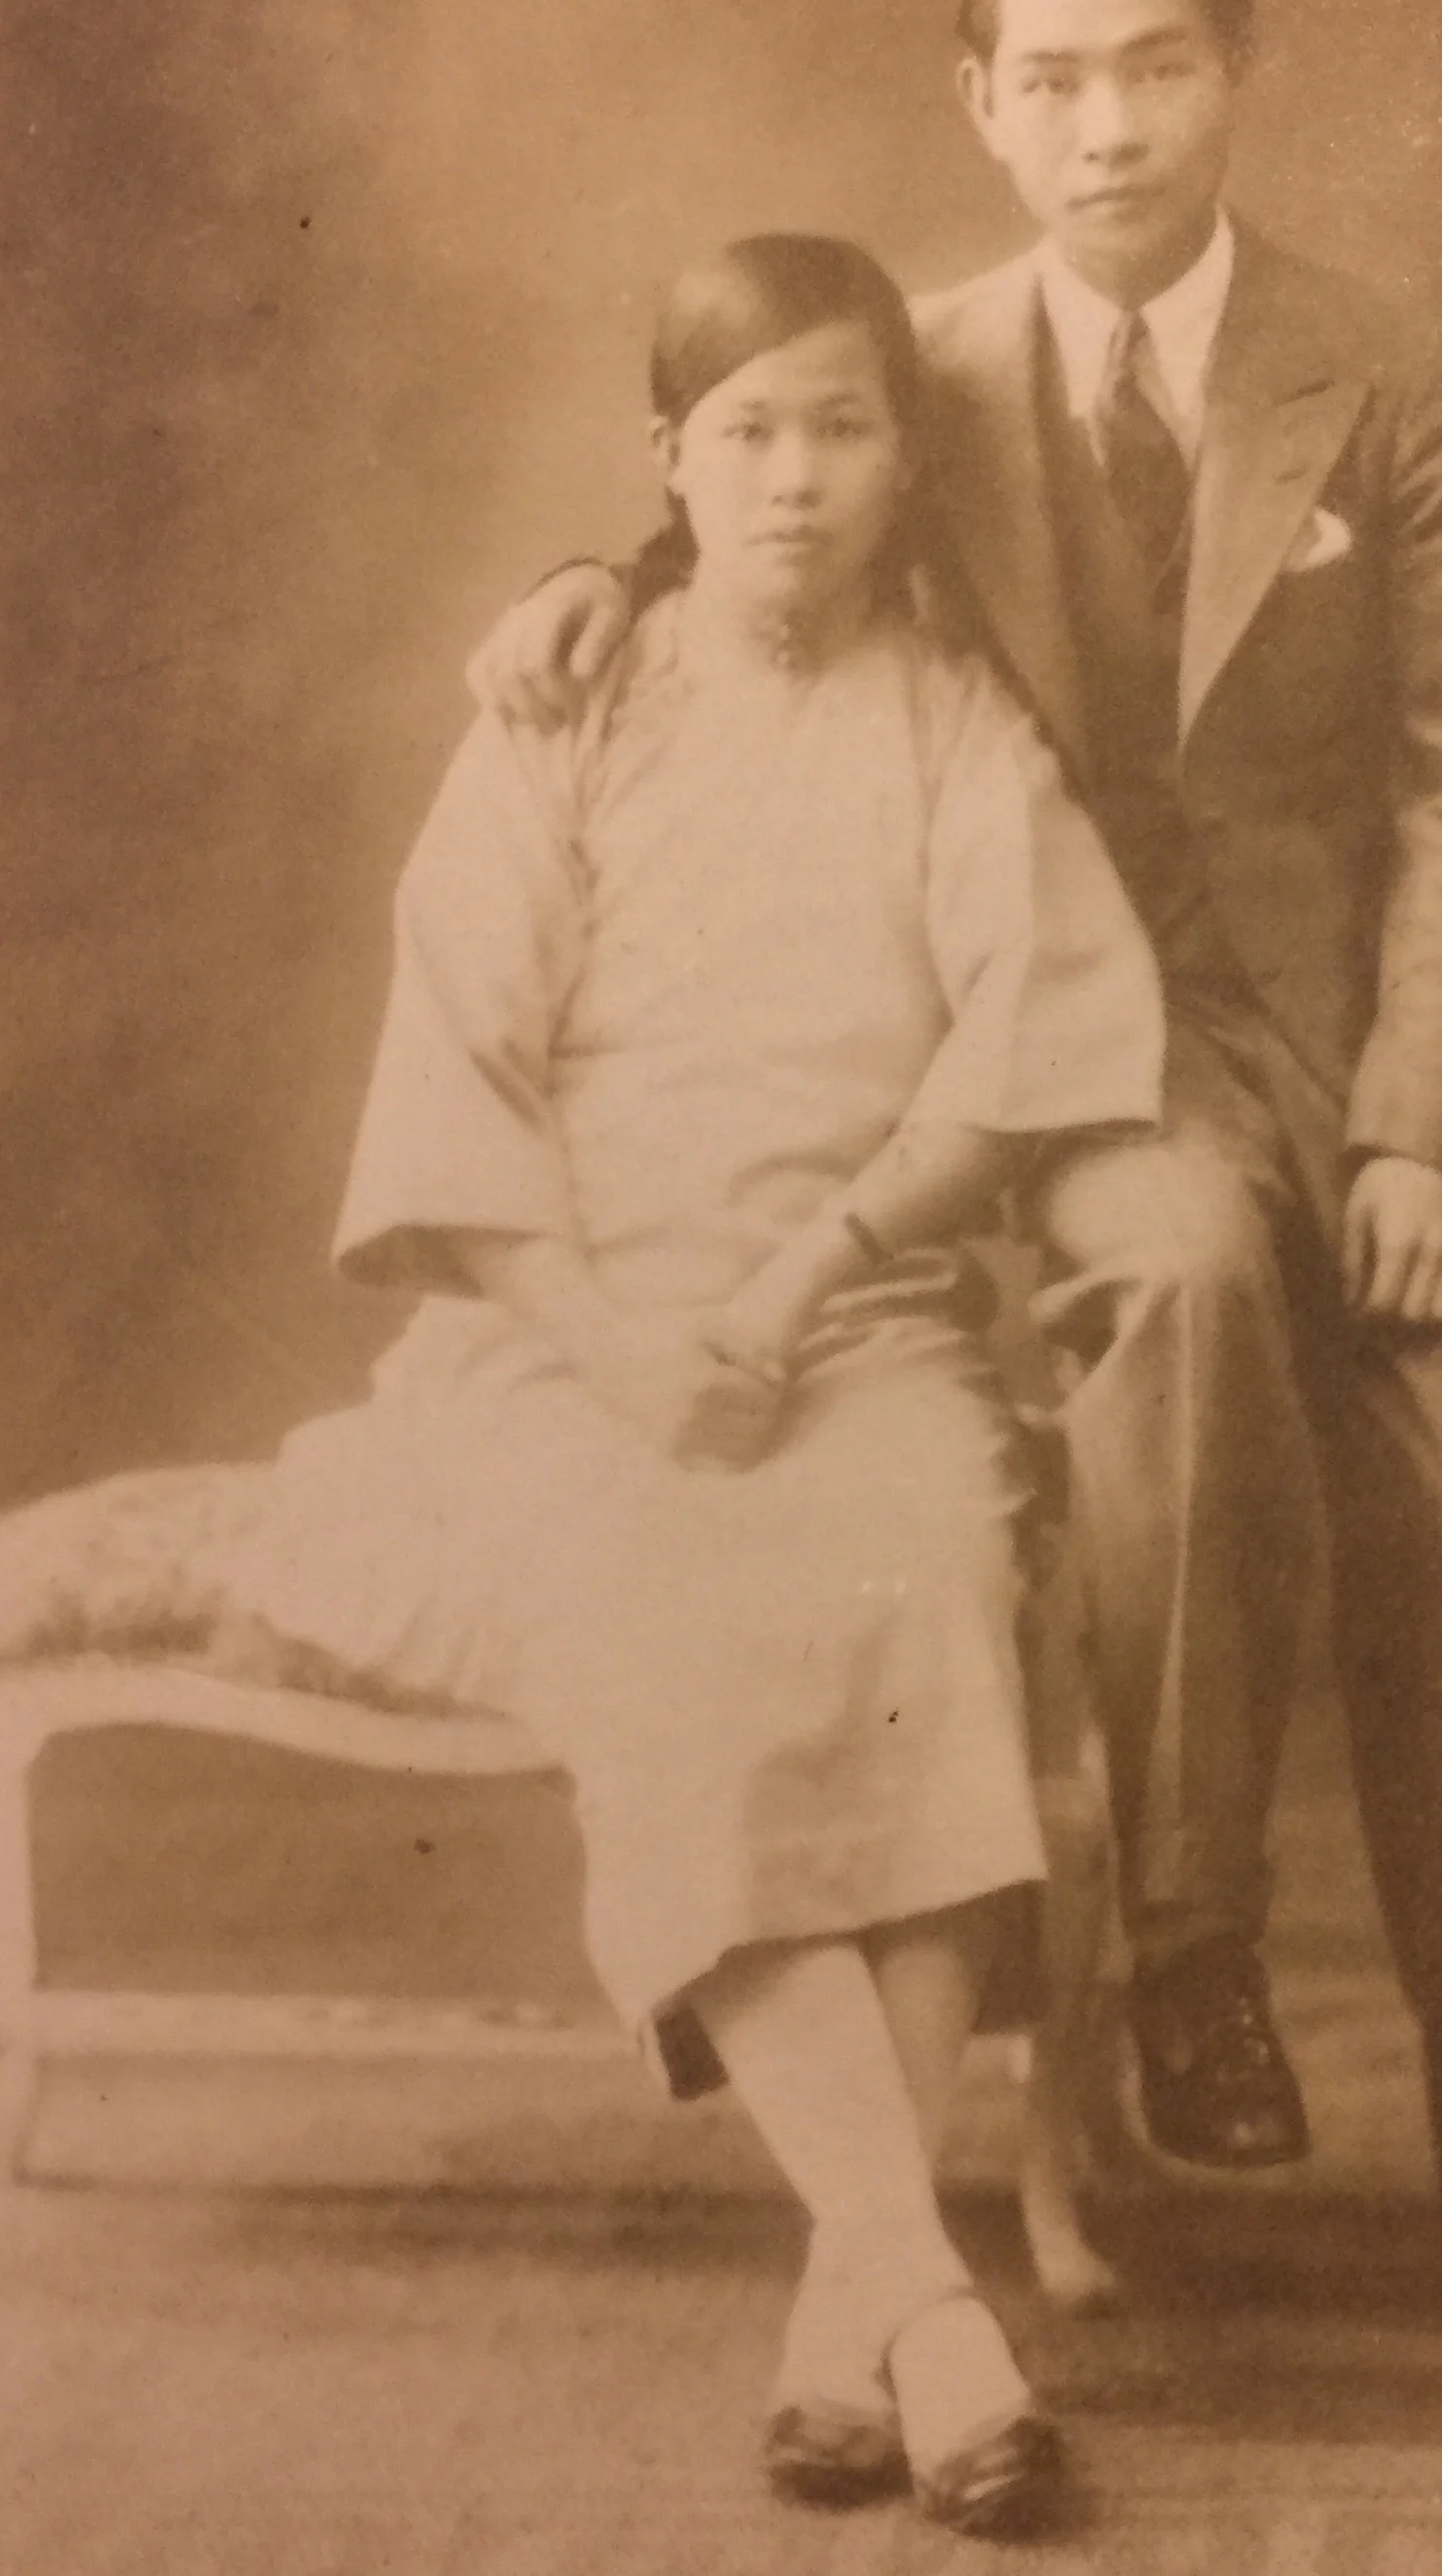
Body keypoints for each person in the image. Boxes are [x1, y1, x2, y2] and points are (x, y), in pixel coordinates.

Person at [469, 0, 1442, 2370]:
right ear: (979, 107)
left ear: (1233, 76)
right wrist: (594, 578)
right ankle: (1193, 1944)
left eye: (1154, 67)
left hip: (1335, 1044)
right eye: (1053, 78)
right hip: (1053, 1028)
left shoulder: (1380, 375)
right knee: (1180, 1273)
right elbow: (749, 483)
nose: (1105, 126)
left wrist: (1420, 1130)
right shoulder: (921, 365)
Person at [0, 234, 1172, 2532]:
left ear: (902, 462)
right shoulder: (567, 704)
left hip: (860, 1324)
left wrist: (799, 1286)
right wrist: (633, 1347)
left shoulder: (954, 717)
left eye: (842, 428)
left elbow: (1009, 1045)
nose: (795, 478)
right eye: (746, 432)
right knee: (669, 1616)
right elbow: (457, 1095)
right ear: (666, 460)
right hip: (550, 1340)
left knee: (929, 1593)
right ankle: (933, 2311)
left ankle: (843, 2305)